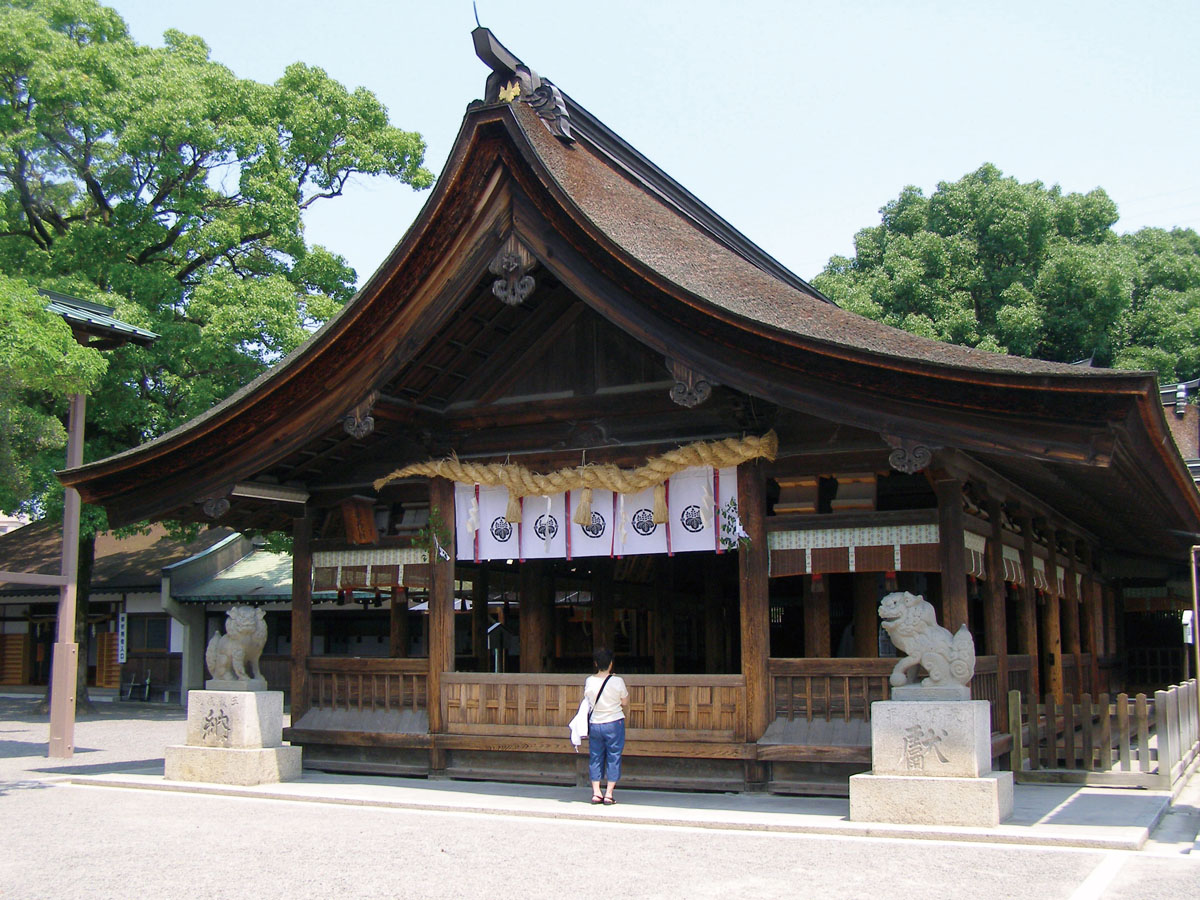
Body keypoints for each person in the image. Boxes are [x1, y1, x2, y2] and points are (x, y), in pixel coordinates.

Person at [584, 647, 629, 805]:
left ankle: (596, 792)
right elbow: (624, 702)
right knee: (613, 756)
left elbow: (588, 700)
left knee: (595, 756)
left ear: (596, 663)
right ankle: (609, 793)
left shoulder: (589, 681)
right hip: (614, 722)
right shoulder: (618, 681)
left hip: (595, 723)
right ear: (611, 664)